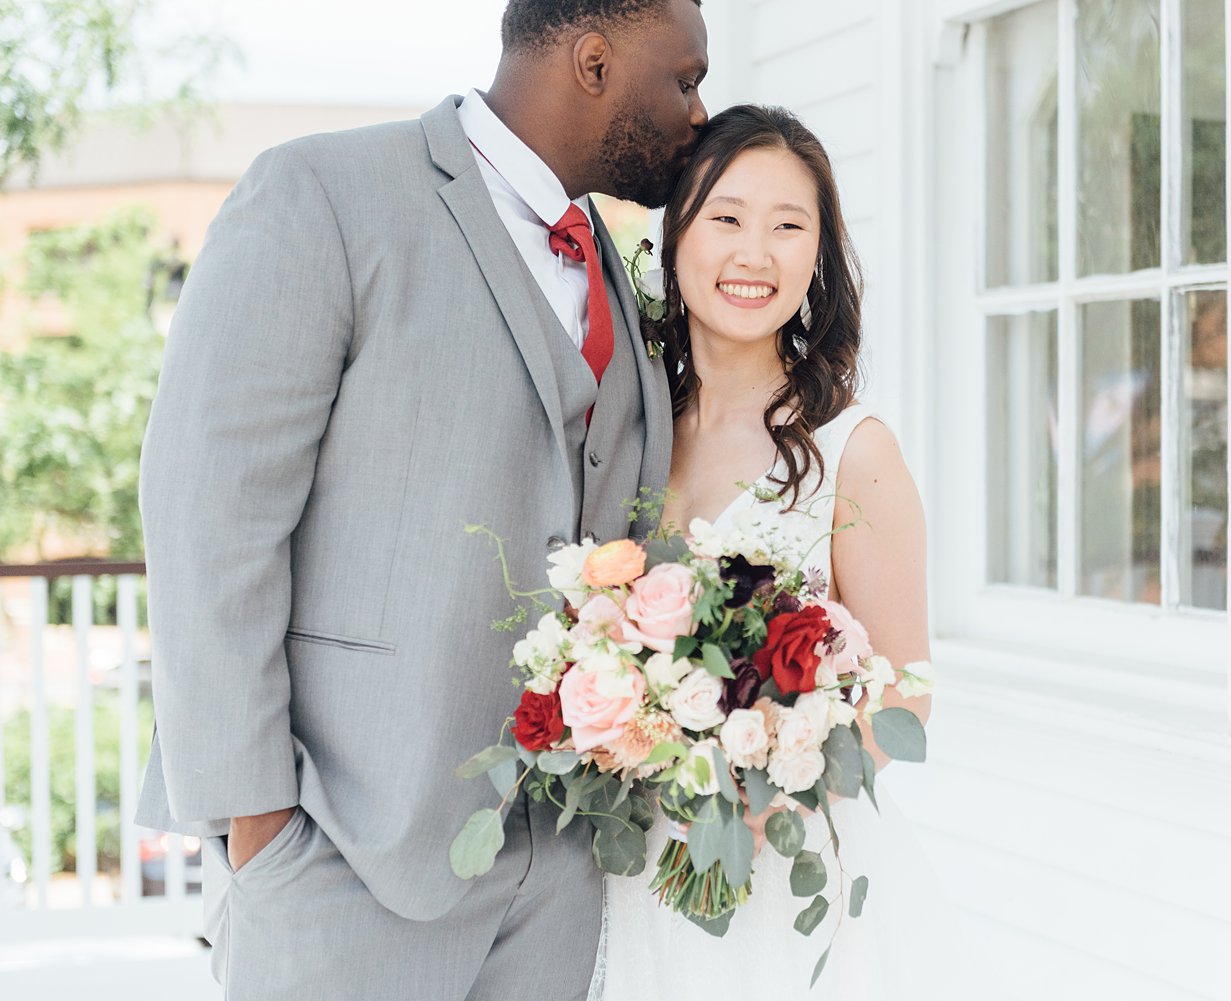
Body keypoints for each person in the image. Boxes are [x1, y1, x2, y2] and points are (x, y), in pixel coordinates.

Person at [135, 2, 708, 998]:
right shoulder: (324, 193)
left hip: (558, 874)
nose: (699, 113)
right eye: (685, 79)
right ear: (593, 60)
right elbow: (208, 518)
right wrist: (254, 825)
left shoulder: (613, 264)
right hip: (346, 855)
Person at [589, 104, 937, 999]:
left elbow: (906, 688)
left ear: (817, 258)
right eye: (728, 218)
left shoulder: (853, 449)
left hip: (786, 876)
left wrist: (763, 786)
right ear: (677, 237)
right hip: (636, 871)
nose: (755, 254)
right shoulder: (629, 438)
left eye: (790, 227)